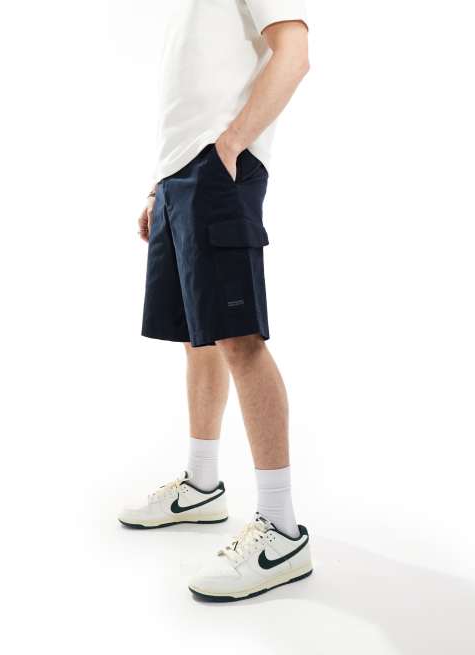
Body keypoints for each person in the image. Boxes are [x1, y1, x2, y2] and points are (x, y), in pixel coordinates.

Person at [119, 0, 312, 602]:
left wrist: (231, 144)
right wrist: (162, 183)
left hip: (219, 167)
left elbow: (294, 53)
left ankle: (281, 530)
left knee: (239, 339)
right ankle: (202, 487)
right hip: (181, 175)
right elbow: (194, 89)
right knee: (196, 337)